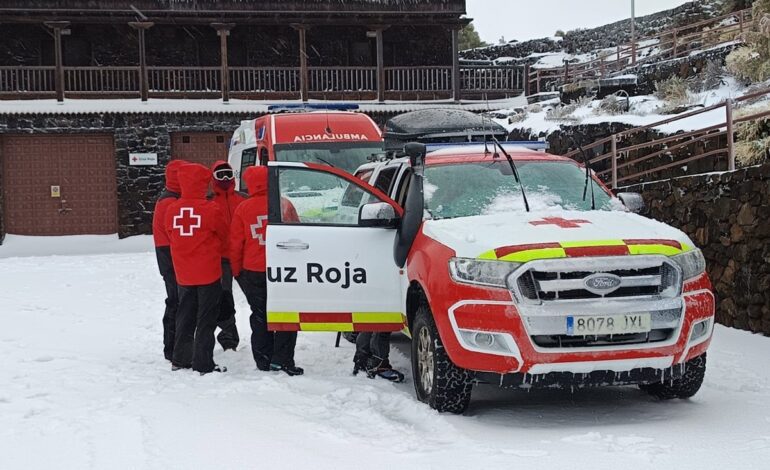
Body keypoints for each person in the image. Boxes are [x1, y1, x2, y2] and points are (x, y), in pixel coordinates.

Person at [230, 166, 303, 376]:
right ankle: (283, 359)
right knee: (287, 315)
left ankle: (263, 360)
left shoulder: (243, 208)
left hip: (253, 270)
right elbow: (298, 233)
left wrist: (237, 272)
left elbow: (236, 244)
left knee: (260, 316)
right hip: (283, 270)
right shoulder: (284, 204)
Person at [165, 163, 229, 375]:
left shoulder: (171, 209)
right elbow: (223, 235)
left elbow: (169, 234)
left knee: (185, 316)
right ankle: (203, 363)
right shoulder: (211, 209)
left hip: (183, 273)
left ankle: (180, 359)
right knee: (206, 319)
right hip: (208, 272)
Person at [208, 160, 247, 351]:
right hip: (221, 259)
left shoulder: (243, 199)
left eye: (228, 174)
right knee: (224, 298)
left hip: (244, 256)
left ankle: (266, 335)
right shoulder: (209, 202)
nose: (224, 178)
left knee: (256, 298)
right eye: (220, 175)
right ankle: (229, 337)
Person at [152, 159, 187, 361]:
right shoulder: (170, 202)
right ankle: (173, 347)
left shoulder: (168, 198)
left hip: (168, 256)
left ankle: (174, 345)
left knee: (176, 301)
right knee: (176, 301)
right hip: (171, 257)